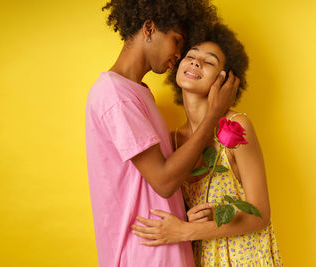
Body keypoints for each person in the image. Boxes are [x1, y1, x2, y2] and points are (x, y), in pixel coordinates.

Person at [85, 1, 240, 266]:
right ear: (149, 28)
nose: (179, 54)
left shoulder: (139, 92)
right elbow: (165, 181)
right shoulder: (115, 95)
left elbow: (150, 187)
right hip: (144, 254)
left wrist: (185, 220)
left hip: (165, 248)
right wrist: (214, 114)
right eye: (176, 41)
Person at [131, 23, 283, 266]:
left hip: (246, 258)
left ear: (226, 80)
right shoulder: (171, 140)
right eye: (190, 56)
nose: (195, 62)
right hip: (201, 259)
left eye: (209, 62)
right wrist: (187, 220)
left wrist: (184, 231)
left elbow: (261, 215)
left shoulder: (235, 125)